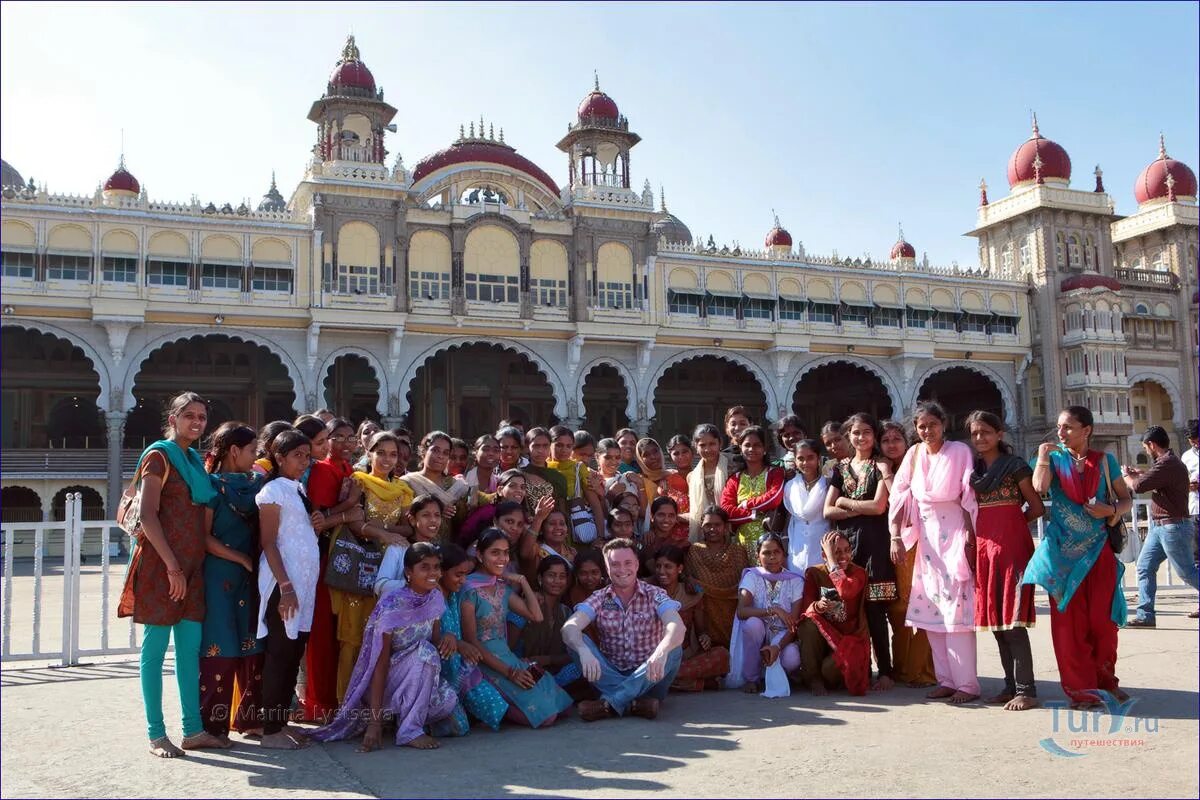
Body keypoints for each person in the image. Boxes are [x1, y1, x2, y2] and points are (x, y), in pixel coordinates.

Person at [117, 392, 226, 757]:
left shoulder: (194, 459)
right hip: (163, 567)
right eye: (189, 415)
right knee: (155, 648)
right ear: (173, 417)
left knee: (189, 650)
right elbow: (148, 516)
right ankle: (156, 734)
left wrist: (185, 568)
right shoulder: (159, 456)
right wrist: (172, 567)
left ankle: (192, 731)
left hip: (192, 568)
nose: (197, 422)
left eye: (202, 417)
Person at [310, 543, 468, 752]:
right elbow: (380, 663)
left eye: (436, 567)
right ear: (408, 573)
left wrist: (450, 638)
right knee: (424, 652)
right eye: (425, 567)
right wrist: (374, 724)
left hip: (417, 675)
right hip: (387, 683)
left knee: (449, 701)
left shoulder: (435, 598)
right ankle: (409, 730)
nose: (433, 573)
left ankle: (399, 718)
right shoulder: (391, 604)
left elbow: (435, 642)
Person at [1025, 405, 1132, 709]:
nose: (1061, 432)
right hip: (1062, 554)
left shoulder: (1105, 462)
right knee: (1068, 625)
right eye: (1059, 426)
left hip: (1098, 552)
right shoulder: (1053, 460)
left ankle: (1105, 682)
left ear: (1087, 430)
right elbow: (1039, 487)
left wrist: (1110, 511)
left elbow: (1126, 499)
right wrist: (1044, 457)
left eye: (1069, 427)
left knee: (1103, 623)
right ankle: (1081, 690)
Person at [888, 401, 980, 704]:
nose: (927, 431)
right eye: (921, 426)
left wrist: (970, 536)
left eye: (932, 424)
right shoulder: (913, 455)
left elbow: (968, 493)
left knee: (957, 614)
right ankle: (946, 679)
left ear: (943, 424)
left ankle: (967, 684)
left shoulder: (959, 452)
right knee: (933, 611)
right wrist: (895, 536)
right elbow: (899, 494)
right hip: (927, 539)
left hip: (953, 532)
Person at [966, 411, 1044, 710]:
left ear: (1000, 434)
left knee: (1013, 620)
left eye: (985, 431)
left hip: (1012, 548)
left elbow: (1036, 507)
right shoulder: (974, 472)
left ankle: (1027, 690)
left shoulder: (1015, 466)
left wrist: (1012, 523)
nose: (979, 438)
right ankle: (1010, 686)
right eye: (974, 433)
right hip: (985, 548)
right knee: (997, 622)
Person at [561, 538, 686, 721]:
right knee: (574, 641)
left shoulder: (655, 594)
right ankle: (635, 704)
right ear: (607, 567)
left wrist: (660, 651)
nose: (622, 569)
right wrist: (583, 650)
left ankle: (610, 704)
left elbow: (677, 626)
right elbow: (569, 628)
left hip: (650, 675)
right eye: (615, 564)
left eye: (628, 563)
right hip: (610, 674)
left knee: (674, 647)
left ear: (637, 565)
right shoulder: (600, 598)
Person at [461, 530, 573, 728]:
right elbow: (472, 642)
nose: (502, 559)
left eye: (505, 553)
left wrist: (522, 581)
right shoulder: (469, 589)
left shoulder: (502, 588)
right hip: (484, 663)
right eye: (495, 553)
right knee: (547, 718)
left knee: (563, 708)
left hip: (507, 657)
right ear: (480, 555)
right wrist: (510, 672)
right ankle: (491, 706)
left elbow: (536, 616)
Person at [332, 432, 413, 702]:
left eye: (394, 454)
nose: (388, 459)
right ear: (370, 452)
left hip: (387, 567)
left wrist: (384, 531)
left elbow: (408, 526)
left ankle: (376, 706)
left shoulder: (402, 490)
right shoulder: (360, 482)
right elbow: (353, 521)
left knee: (382, 638)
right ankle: (348, 706)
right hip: (360, 565)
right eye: (382, 453)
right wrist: (382, 535)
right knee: (354, 637)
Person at [255, 429, 323, 749]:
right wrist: (286, 587)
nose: (304, 462)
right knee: (280, 654)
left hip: (303, 588)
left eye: (307, 456)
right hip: (284, 587)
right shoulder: (272, 492)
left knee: (294, 653)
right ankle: (270, 731)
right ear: (279, 458)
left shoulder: (298, 490)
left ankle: (281, 723)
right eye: (297, 455)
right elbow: (269, 542)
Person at [200, 422, 266, 744]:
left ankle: (250, 720)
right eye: (252, 451)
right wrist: (240, 559)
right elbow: (203, 537)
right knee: (221, 648)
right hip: (220, 575)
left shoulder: (260, 484)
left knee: (252, 644)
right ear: (235, 451)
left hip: (251, 577)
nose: (256, 457)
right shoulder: (209, 487)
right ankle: (214, 727)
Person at [823, 413, 895, 691]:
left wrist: (845, 501)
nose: (861, 437)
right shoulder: (840, 468)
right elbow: (827, 510)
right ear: (847, 436)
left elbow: (879, 507)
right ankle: (858, 668)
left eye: (867, 432)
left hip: (877, 544)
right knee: (850, 608)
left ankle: (886, 671)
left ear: (874, 435)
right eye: (855, 433)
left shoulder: (881, 464)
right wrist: (855, 504)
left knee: (877, 608)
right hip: (848, 547)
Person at [878, 420, 936, 688]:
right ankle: (901, 668)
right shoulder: (876, 467)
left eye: (896, 439)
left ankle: (923, 670)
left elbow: (901, 498)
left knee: (925, 603)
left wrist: (887, 474)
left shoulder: (919, 461)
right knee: (898, 607)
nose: (891, 444)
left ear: (906, 440)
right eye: (886, 440)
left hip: (921, 541)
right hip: (889, 544)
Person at [1124, 425, 1200, 627]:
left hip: (1173, 527)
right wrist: (1141, 473)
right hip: (1161, 527)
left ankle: (1145, 614)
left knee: (1187, 573)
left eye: (1146, 447)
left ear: (1152, 444)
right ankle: (1145, 615)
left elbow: (1138, 486)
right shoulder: (1168, 463)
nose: (1147, 451)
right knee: (1144, 567)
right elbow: (1155, 479)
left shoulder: (1168, 464)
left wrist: (1126, 476)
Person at [437, 544, 509, 730]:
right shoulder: (433, 598)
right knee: (459, 727)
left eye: (465, 575)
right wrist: (459, 644)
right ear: (441, 572)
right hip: (442, 671)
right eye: (457, 574)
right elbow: (433, 637)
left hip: (463, 666)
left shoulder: (453, 596)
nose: (463, 580)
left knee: (497, 709)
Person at [726, 533, 804, 697]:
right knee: (752, 624)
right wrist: (774, 610)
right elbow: (741, 611)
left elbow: (793, 623)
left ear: (784, 555)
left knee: (792, 658)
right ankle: (752, 678)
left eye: (776, 552)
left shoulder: (795, 581)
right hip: (758, 634)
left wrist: (777, 647)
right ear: (757, 556)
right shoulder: (752, 576)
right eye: (766, 553)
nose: (772, 557)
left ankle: (784, 674)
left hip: (783, 636)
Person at [796, 531, 871, 696]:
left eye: (847, 550)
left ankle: (832, 678)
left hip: (850, 640)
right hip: (823, 641)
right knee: (807, 623)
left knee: (829, 670)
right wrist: (818, 606)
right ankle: (813, 679)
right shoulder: (814, 573)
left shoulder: (859, 573)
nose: (843, 555)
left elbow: (845, 591)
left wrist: (832, 562)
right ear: (824, 555)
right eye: (837, 552)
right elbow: (805, 610)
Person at [508, 556, 591, 699]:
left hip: (555, 674)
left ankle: (553, 693)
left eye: (562, 576)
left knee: (585, 665)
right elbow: (507, 648)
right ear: (540, 578)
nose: (557, 581)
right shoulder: (524, 608)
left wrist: (547, 660)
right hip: (524, 672)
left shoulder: (566, 612)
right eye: (551, 576)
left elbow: (572, 655)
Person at [654, 545, 729, 691]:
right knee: (642, 666)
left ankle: (661, 680)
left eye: (668, 566)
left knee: (722, 655)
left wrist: (704, 637)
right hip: (656, 656)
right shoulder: (648, 590)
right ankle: (696, 684)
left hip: (685, 656)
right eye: (658, 566)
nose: (661, 571)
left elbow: (701, 630)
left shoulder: (691, 593)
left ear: (680, 568)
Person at [684, 506, 749, 649]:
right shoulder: (695, 550)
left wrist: (706, 587)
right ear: (701, 527)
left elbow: (743, 586)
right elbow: (690, 583)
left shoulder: (738, 551)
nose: (712, 529)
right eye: (708, 525)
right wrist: (701, 588)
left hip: (733, 612)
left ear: (726, 527)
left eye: (717, 525)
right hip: (705, 614)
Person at [720, 426, 787, 565]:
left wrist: (745, 504)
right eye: (747, 445)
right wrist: (753, 515)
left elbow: (774, 498)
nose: (752, 449)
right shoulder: (735, 479)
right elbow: (726, 510)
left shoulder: (775, 473)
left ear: (765, 449)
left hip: (770, 546)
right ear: (740, 448)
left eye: (757, 445)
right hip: (741, 545)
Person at [402, 431, 470, 542]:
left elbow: (462, 524)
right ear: (423, 452)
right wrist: (435, 510)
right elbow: (404, 519)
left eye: (445, 453)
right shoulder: (408, 482)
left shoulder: (458, 486)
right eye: (435, 450)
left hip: (447, 549)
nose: (440, 456)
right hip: (416, 548)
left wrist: (458, 510)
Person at [781, 439, 829, 575]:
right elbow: (789, 518)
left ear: (818, 458)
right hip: (797, 544)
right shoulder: (790, 486)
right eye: (800, 459)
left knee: (820, 583)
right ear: (795, 461)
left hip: (821, 540)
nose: (805, 463)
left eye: (810, 458)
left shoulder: (827, 484)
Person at [635, 438, 690, 545]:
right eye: (646, 455)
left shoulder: (673, 476)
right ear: (640, 460)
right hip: (649, 536)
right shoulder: (637, 481)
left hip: (683, 537)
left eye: (655, 451)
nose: (653, 457)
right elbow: (638, 511)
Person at [686, 424, 730, 542]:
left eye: (712, 444)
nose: (707, 449)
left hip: (730, 527)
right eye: (702, 445)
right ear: (695, 446)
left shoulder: (731, 467)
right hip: (705, 531)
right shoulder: (692, 476)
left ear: (720, 443)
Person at [1183, 420, 1200, 619]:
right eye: (1192, 441)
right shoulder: (1187, 457)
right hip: (1195, 510)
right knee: (1197, 559)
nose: (1195, 444)